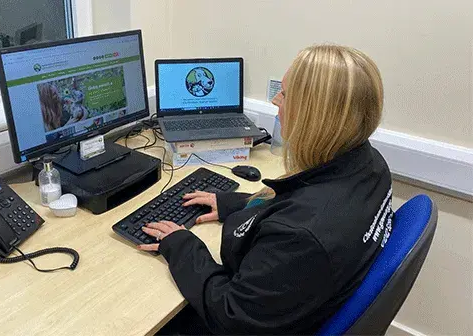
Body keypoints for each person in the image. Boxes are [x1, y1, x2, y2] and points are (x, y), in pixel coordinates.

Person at [139, 45, 393, 335]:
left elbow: (230, 315)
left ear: (313, 114)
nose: (275, 101)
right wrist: (234, 204)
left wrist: (182, 245)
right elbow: (302, 198)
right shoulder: (369, 166)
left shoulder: (300, 237)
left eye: (284, 94)